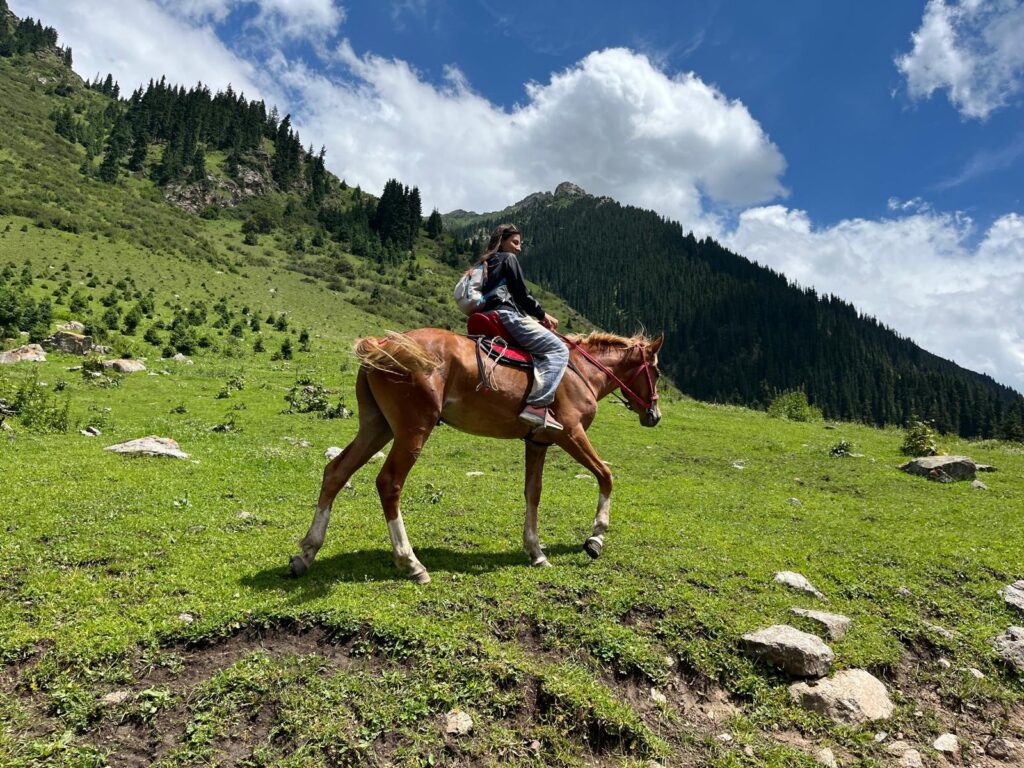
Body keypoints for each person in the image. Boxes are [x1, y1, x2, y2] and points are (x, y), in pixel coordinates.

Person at [477, 224, 569, 431]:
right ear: (502, 242)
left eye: (520, 244)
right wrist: (542, 315)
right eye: (515, 243)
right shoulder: (508, 259)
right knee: (559, 349)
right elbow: (521, 294)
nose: (519, 248)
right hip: (505, 314)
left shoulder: (484, 263)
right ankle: (537, 405)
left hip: (487, 314)